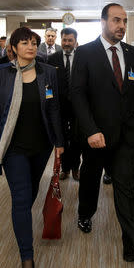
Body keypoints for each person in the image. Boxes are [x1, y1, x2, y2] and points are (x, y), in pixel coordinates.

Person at [70, 3, 134, 263]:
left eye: (124, 21)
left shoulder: (131, 53)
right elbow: (77, 95)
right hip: (96, 136)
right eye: (116, 20)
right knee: (90, 180)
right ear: (103, 22)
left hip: (125, 137)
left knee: (126, 189)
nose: (121, 25)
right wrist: (90, 130)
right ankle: (85, 214)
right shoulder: (85, 53)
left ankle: (133, 246)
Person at [0, 27, 64, 268]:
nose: (31, 46)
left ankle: (21, 224)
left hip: (41, 146)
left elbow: (54, 110)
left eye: (34, 42)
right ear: (14, 47)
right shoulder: (2, 73)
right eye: (25, 42)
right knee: (20, 198)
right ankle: (27, 256)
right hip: (13, 148)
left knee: (31, 192)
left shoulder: (48, 72)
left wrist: (59, 142)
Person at [47, 28, 81, 181]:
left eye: (70, 40)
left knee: (76, 139)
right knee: (62, 139)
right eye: (64, 40)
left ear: (75, 41)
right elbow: (48, 84)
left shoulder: (82, 57)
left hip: (78, 107)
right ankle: (65, 168)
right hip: (59, 107)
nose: (67, 43)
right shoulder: (52, 58)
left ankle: (76, 167)